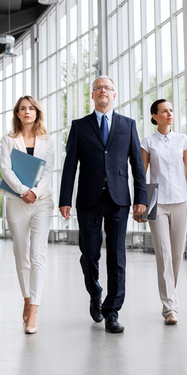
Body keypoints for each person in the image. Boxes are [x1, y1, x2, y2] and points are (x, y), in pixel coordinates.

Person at [59, 75, 148, 333]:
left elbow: (137, 166)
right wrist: (65, 199)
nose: (103, 91)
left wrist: (141, 198)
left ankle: (112, 311)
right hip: (88, 198)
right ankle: (95, 292)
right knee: (89, 254)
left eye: (107, 88)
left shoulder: (128, 125)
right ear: (92, 95)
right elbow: (69, 167)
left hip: (119, 199)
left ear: (114, 94)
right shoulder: (79, 126)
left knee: (117, 256)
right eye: (98, 88)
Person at [140, 99, 187, 325]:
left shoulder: (183, 140)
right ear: (154, 116)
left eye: (171, 110)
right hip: (156, 202)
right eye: (164, 111)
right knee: (163, 253)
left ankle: (170, 295)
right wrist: (141, 204)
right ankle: (169, 307)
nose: (169, 114)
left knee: (176, 253)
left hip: (180, 200)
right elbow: (141, 175)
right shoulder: (147, 143)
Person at [0, 96, 55, 335]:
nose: (27, 112)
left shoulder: (48, 140)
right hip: (16, 201)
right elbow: (6, 169)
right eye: (22, 109)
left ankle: (34, 307)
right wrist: (24, 191)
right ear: (17, 114)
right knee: (21, 253)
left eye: (31, 108)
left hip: (42, 202)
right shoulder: (9, 139)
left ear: (37, 112)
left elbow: (49, 170)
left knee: (37, 253)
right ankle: (26, 296)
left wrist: (35, 192)